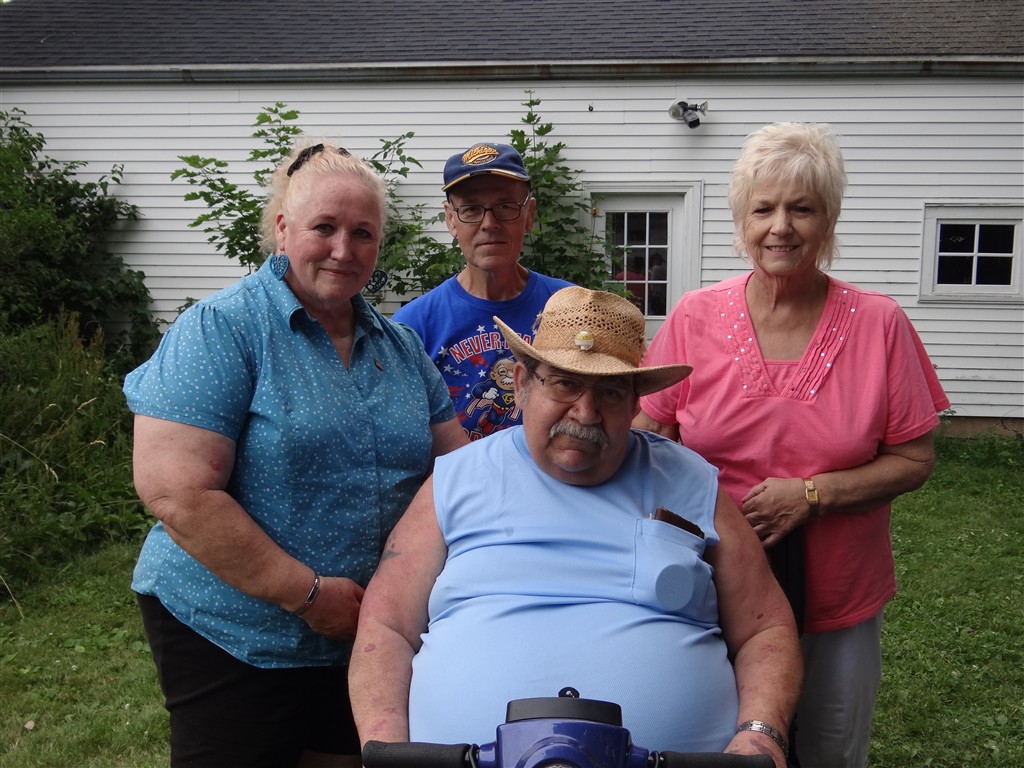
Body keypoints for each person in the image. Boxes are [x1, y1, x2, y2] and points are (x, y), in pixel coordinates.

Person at [349, 287, 802, 768]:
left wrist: (760, 735)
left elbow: (765, 628)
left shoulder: (692, 481)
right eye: (564, 384)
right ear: (522, 383)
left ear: (635, 403)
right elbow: (386, 624)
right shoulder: (456, 480)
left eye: (609, 392)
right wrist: (385, 749)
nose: (585, 413)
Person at [123, 139, 467, 768]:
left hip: (361, 632)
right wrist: (306, 595)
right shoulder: (222, 328)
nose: (344, 249)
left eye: (362, 233)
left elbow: (458, 473)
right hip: (234, 630)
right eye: (324, 227)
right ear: (283, 229)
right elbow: (177, 491)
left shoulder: (400, 346)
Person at [634, 122, 950, 768]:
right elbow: (649, 434)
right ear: (741, 221)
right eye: (764, 209)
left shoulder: (880, 324)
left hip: (837, 595)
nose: (781, 227)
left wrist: (812, 495)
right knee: (720, 744)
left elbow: (914, 459)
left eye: (801, 209)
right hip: (710, 585)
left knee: (829, 747)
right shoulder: (694, 316)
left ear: (827, 221)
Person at [391, 142, 572, 440]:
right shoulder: (413, 327)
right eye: (471, 209)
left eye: (505, 207)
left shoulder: (570, 308)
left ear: (529, 214)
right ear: (451, 219)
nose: (489, 224)